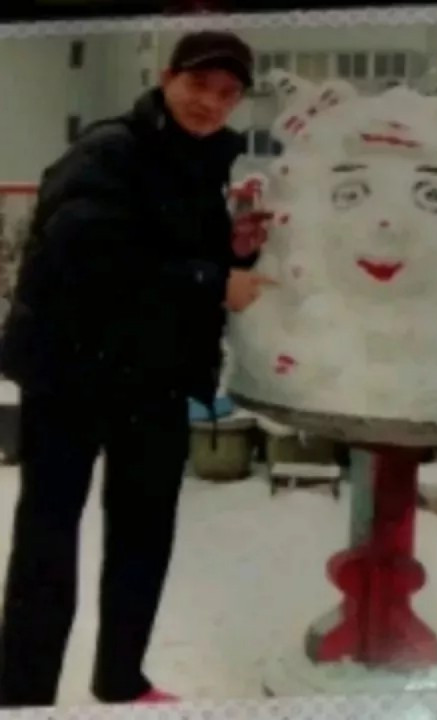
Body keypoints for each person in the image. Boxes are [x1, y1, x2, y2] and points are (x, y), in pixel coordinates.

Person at [0, 31, 275, 707]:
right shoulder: (108, 150)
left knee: (145, 534)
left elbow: (168, 246)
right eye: (199, 85)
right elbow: (85, 251)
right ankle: (23, 694)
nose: (211, 102)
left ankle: (122, 679)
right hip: (69, 369)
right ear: (166, 77)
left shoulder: (210, 160)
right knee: (48, 535)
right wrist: (213, 279)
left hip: (153, 376)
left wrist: (234, 250)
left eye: (227, 93)